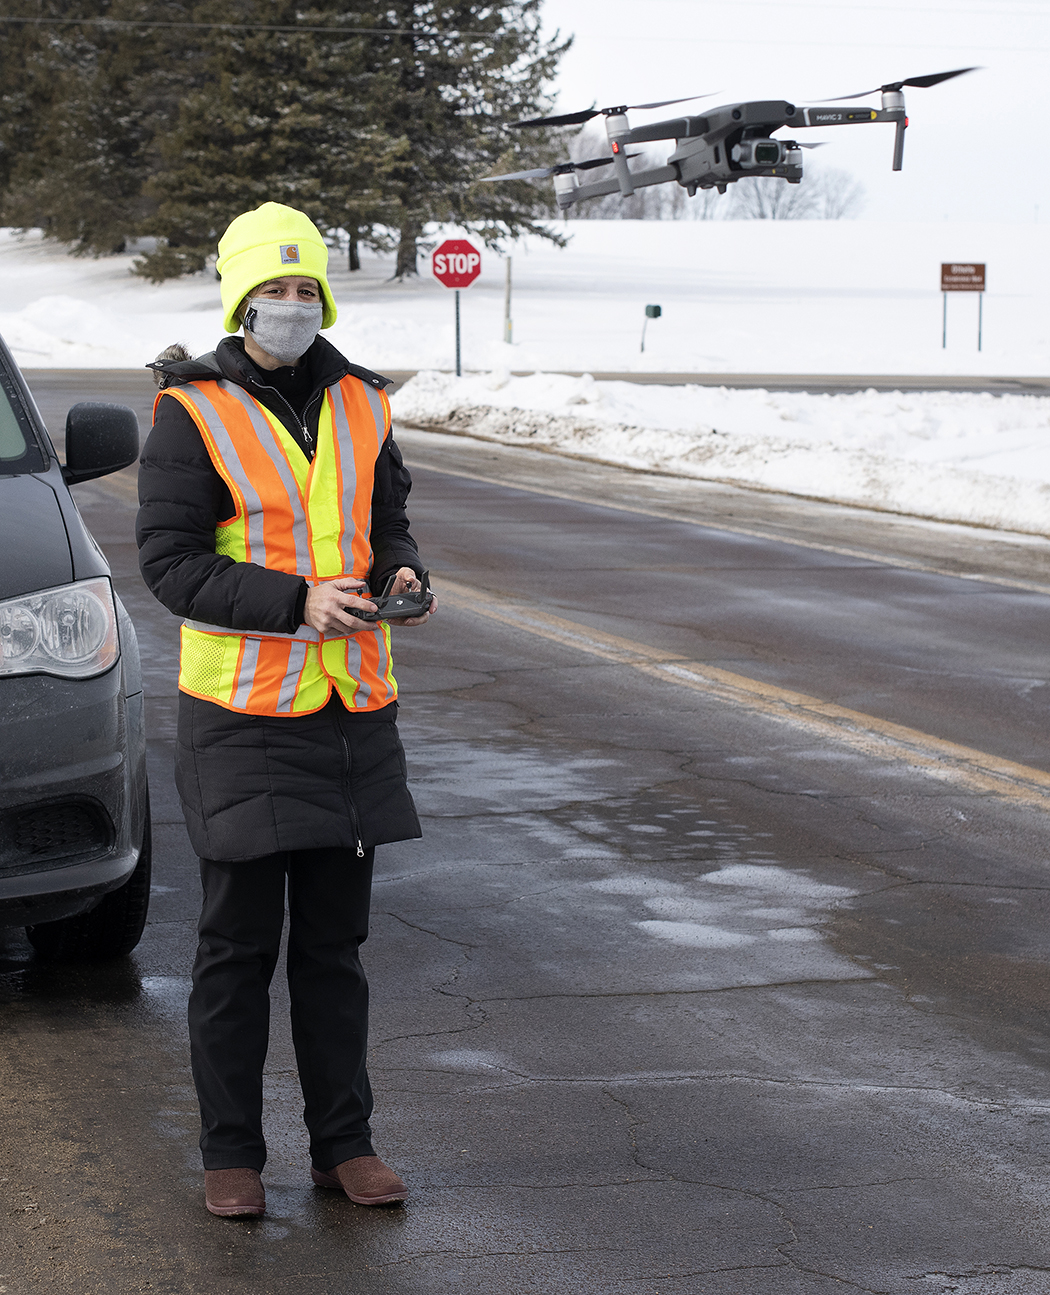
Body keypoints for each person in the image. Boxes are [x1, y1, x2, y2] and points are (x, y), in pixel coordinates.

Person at [136, 202, 435, 1219]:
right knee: (237, 945)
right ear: (239, 296)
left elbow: (384, 520)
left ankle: (342, 1145)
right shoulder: (194, 410)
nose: (292, 305)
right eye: (274, 288)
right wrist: (293, 602)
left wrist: (401, 572)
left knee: (334, 948)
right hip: (244, 712)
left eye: (307, 288)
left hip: (352, 705)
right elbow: (169, 565)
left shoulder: (362, 401)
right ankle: (231, 1151)